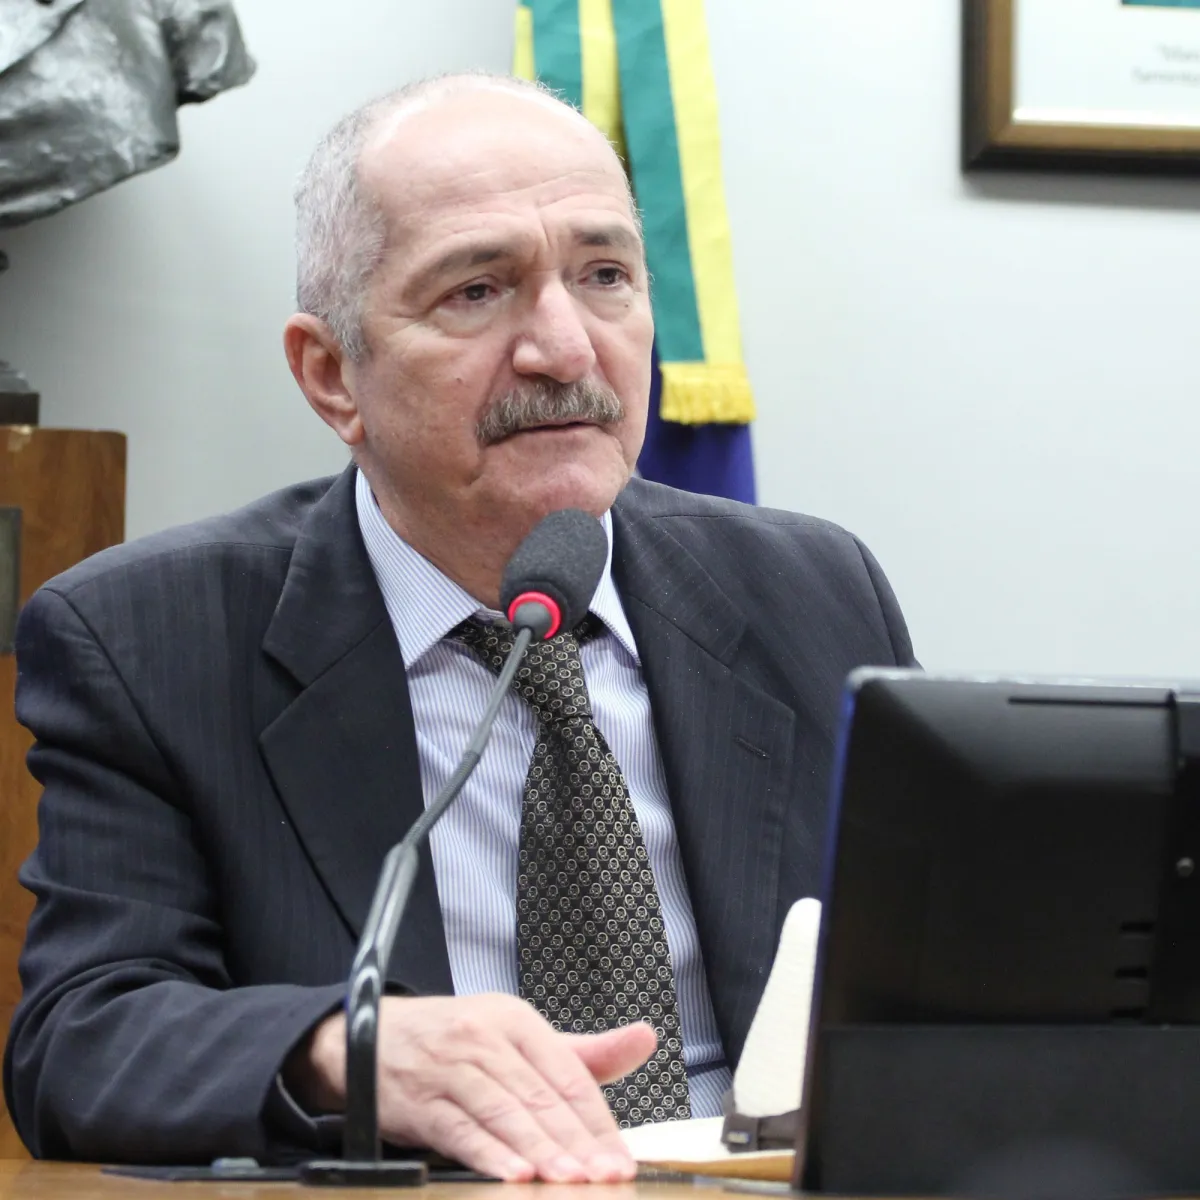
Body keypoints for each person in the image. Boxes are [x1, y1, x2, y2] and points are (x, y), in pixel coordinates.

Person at [3, 73, 915, 1181]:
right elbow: (79, 1043)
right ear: (332, 376)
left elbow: (947, 979)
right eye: (478, 291)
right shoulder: (149, 638)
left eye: (606, 276)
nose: (566, 350)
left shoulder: (811, 592)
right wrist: (347, 1052)